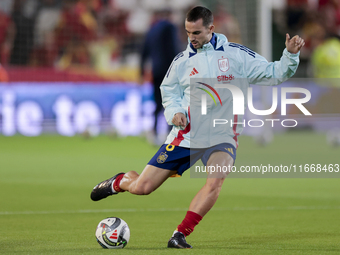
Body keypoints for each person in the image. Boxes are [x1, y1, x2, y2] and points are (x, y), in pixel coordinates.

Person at [91, 6, 305, 249]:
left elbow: (274, 73)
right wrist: (175, 113)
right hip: (187, 136)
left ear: (211, 29)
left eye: (196, 32)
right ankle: (119, 182)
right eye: (187, 32)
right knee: (143, 188)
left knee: (215, 181)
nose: (191, 37)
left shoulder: (236, 55)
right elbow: (168, 91)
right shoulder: (181, 62)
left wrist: (290, 56)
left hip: (224, 135)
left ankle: (180, 234)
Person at [140, 9, 181, 144]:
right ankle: (171, 134)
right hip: (169, 71)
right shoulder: (170, 27)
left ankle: (154, 132)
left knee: (158, 103)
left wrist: (141, 71)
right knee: (172, 102)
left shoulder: (152, 30)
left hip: (156, 71)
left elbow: (144, 51)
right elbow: (173, 49)